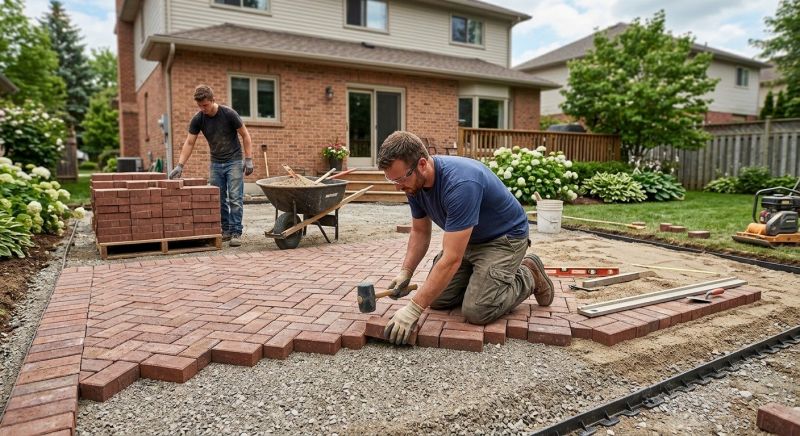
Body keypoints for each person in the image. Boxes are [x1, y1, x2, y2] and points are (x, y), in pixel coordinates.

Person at [378, 131, 554, 345]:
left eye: (400, 179)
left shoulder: (461, 183)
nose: (398, 186)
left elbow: (451, 258)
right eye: (392, 180)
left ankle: (529, 274)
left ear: (422, 164)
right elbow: (420, 232)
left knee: (478, 310)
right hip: (469, 239)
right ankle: (480, 278)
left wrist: (413, 309)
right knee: (438, 299)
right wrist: (406, 271)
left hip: (503, 239)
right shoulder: (414, 185)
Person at [169, 85, 254, 247]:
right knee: (219, 198)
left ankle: (236, 231)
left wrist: (248, 159)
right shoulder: (198, 118)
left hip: (234, 161)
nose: (203, 109)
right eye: (200, 106)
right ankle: (226, 230)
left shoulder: (229, 114)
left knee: (235, 198)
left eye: (205, 105)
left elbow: (245, 135)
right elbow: (189, 142)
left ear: (213, 100)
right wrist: (180, 165)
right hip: (216, 163)